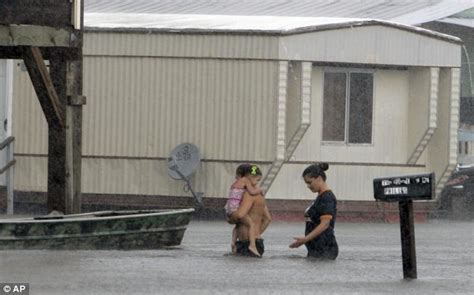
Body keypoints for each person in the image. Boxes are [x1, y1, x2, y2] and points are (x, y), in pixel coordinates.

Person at [289, 163, 338, 260]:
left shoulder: (327, 198)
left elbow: (325, 224)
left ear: (319, 178)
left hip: (325, 248)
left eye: (309, 182)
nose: (308, 186)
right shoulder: (320, 197)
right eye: (306, 183)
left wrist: (305, 239)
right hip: (316, 248)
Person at [225, 164, 265, 257]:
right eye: (257, 180)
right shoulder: (247, 185)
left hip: (229, 208)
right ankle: (252, 245)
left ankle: (233, 243)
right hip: (235, 210)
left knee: (236, 226)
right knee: (251, 224)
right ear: (250, 176)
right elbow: (252, 191)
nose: (257, 183)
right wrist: (260, 190)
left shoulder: (235, 184)